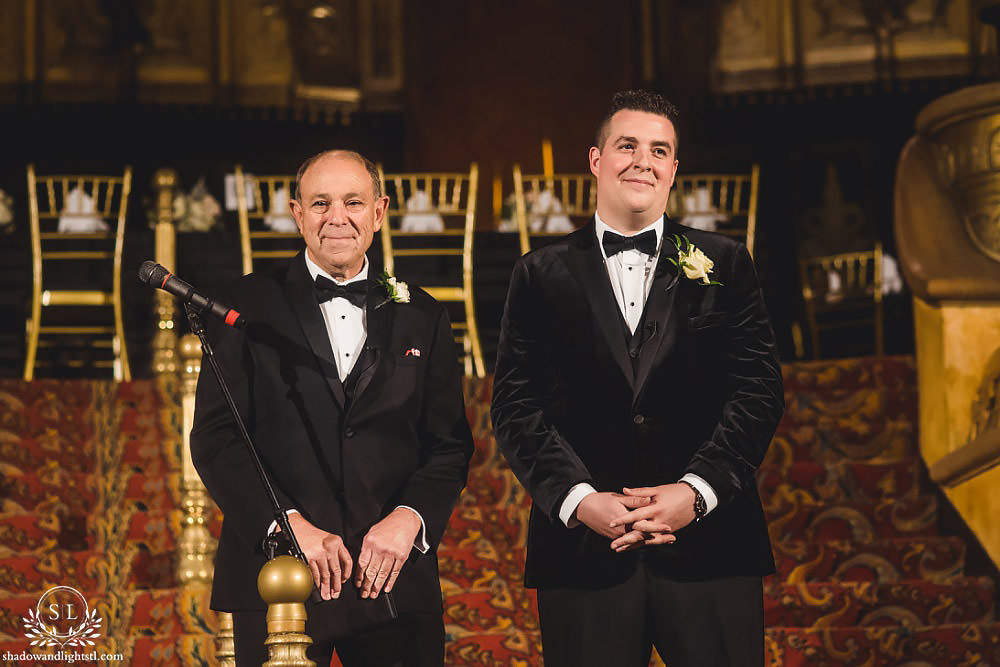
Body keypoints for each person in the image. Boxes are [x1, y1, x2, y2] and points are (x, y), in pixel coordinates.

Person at [491, 90, 784, 666]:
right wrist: (579, 500)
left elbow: (759, 390)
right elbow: (515, 406)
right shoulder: (538, 274)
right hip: (581, 553)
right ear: (596, 160)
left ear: (675, 168)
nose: (642, 161)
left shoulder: (726, 263)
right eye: (627, 146)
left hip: (711, 548)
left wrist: (695, 494)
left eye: (659, 150)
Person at [190, 150, 473, 666]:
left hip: (391, 577)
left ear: (380, 212)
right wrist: (288, 523)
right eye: (320, 203)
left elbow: (449, 445)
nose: (336, 217)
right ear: (297, 213)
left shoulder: (424, 315)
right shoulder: (241, 307)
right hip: (278, 574)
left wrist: (408, 519)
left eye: (353, 202)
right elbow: (216, 439)